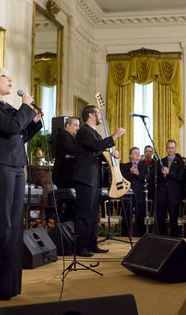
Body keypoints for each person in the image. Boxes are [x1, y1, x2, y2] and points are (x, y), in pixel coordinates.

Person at [0, 66, 42, 300]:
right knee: (3, 223)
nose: (10, 79)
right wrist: (25, 106)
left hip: (14, 164)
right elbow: (12, 127)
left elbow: (19, 135)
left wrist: (34, 121)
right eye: (4, 75)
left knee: (15, 225)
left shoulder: (6, 106)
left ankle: (11, 285)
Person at [73, 105, 125, 257]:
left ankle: (92, 244)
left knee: (94, 213)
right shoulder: (83, 132)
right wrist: (114, 136)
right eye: (98, 113)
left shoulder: (94, 133)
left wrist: (111, 154)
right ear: (90, 115)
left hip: (95, 179)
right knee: (84, 213)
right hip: (85, 178)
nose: (101, 116)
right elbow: (96, 146)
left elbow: (98, 152)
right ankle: (81, 247)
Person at [156, 139, 184, 237]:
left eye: (172, 148)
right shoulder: (161, 161)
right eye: (168, 148)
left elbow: (180, 178)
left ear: (175, 148)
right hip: (162, 196)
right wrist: (163, 176)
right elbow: (156, 178)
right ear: (166, 148)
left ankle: (174, 240)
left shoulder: (180, 162)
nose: (170, 150)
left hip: (174, 196)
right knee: (160, 220)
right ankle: (161, 239)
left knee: (173, 220)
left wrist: (169, 173)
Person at [120, 147, 148, 237]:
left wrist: (138, 173)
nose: (138, 154)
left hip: (140, 195)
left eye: (139, 153)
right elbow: (122, 178)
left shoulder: (144, 166)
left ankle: (141, 237)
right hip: (127, 195)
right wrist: (131, 172)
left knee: (140, 217)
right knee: (126, 217)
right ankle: (125, 236)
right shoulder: (124, 166)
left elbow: (147, 178)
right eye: (135, 153)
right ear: (130, 156)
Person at [53, 116, 80, 188]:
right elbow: (71, 148)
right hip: (64, 176)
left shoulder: (72, 138)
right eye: (75, 125)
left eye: (78, 125)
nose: (78, 128)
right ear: (68, 126)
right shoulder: (62, 135)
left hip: (70, 176)